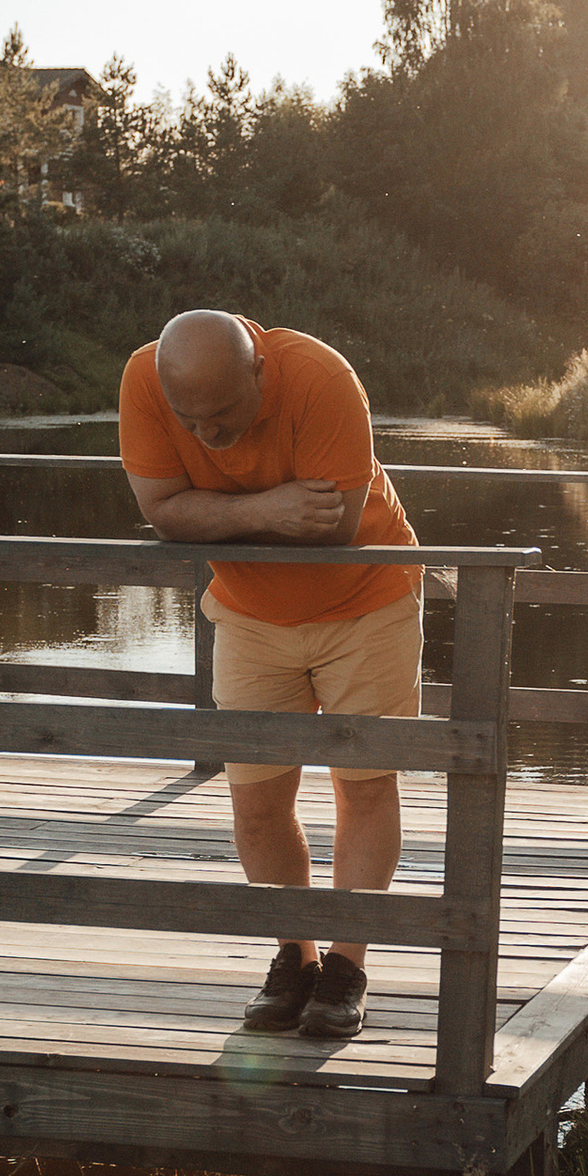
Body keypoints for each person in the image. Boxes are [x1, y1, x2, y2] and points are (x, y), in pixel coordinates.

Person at [118, 309, 422, 1041]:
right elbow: (162, 512)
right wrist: (269, 507)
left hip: (366, 599)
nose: (207, 435)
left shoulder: (321, 378)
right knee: (256, 797)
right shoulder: (144, 380)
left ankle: (347, 966)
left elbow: (332, 526)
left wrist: (216, 513)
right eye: (189, 420)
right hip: (251, 611)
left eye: (222, 415)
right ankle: (297, 955)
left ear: (259, 372)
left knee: (365, 785)